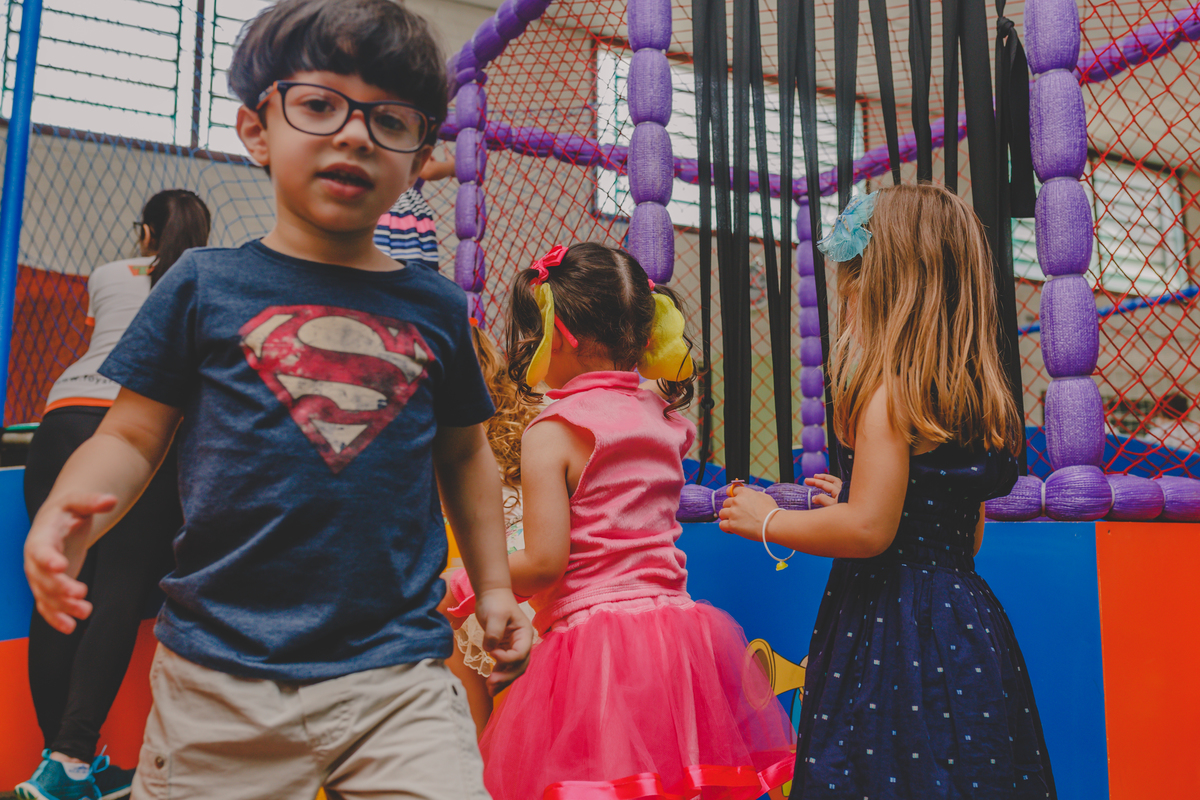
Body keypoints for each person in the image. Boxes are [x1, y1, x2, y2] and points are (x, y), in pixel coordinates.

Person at [22, 2, 532, 799]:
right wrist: (69, 508)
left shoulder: (436, 308)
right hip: (219, 679)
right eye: (320, 105)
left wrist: (496, 589)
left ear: (419, 159)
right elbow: (129, 437)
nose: (355, 134)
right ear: (256, 130)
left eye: (389, 120)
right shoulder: (203, 286)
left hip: (397, 675)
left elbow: (465, 453)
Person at [721, 185, 1055, 799]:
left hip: (891, 627)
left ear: (882, 289)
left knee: (883, 766)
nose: (846, 299)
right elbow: (961, 538)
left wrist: (768, 518)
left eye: (852, 284)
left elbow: (869, 531)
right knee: (963, 768)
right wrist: (862, 497)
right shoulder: (970, 403)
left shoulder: (887, 397)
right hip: (964, 622)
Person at [444, 242, 796, 800]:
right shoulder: (661, 416)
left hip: (596, 650)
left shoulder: (553, 432)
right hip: (679, 640)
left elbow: (544, 564)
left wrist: (461, 583)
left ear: (559, 334)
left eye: (534, 332)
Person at [16, 189, 210, 800]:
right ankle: (71, 757)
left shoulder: (107, 273)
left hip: (64, 414)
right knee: (120, 587)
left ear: (145, 233)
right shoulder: (206, 279)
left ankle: (57, 762)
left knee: (62, 584)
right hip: (144, 424)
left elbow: (108, 337)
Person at [441, 323, 542, 737]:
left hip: (499, 582)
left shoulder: (455, 440)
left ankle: (478, 743)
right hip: (528, 582)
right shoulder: (528, 424)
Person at [374, 148, 455, 269]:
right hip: (402, 214)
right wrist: (452, 167)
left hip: (381, 208)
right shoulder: (411, 142)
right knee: (410, 268)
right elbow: (427, 170)